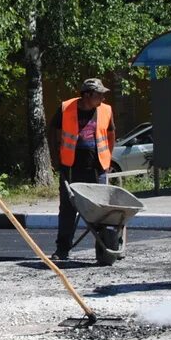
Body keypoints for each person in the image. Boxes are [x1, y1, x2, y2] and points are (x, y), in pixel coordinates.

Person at [50, 78, 116, 260]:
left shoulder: (106, 110)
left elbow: (111, 135)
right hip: (71, 168)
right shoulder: (66, 108)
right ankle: (63, 250)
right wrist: (56, 160)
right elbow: (53, 131)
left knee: (101, 210)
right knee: (68, 210)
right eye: (99, 94)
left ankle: (104, 250)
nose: (102, 97)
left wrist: (108, 160)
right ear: (87, 95)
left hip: (97, 169)